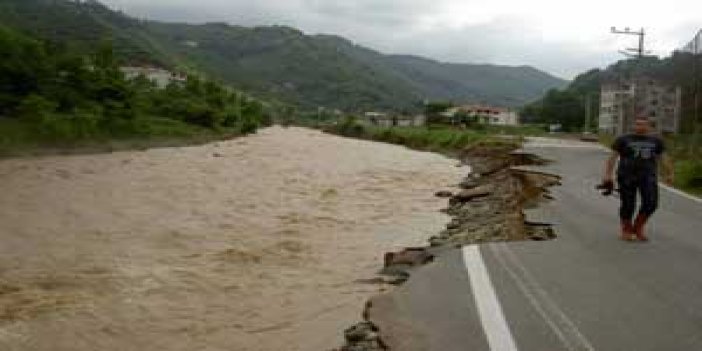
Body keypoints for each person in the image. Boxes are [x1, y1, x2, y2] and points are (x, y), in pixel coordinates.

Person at [602, 116, 674, 242]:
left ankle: (638, 227)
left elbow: (664, 157)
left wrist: (670, 173)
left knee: (651, 203)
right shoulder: (623, 139)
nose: (639, 127)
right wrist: (608, 175)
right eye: (637, 124)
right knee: (628, 204)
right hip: (626, 175)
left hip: (648, 176)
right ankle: (626, 229)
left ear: (649, 126)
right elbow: (612, 158)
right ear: (634, 126)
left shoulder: (656, 141)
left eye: (643, 124)